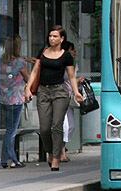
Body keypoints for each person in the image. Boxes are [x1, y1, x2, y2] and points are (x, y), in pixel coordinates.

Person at [24, 25, 82, 171]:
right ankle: (50, 152)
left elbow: (71, 76)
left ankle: (56, 157)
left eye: (55, 36)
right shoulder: (43, 52)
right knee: (44, 128)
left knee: (57, 125)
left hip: (60, 92)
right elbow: (35, 71)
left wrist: (76, 92)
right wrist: (27, 88)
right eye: (50, 36)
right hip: (43, 91)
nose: (51, 38)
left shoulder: (66, 56)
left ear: (62, 39)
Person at [0, 36, 29, 168]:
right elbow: (28, 78)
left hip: (2, 98)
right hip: (15, 99)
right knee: (11, 131)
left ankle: (5, 159)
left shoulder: (1, 61)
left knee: (8, 130)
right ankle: (11, 159)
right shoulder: (20, 63)